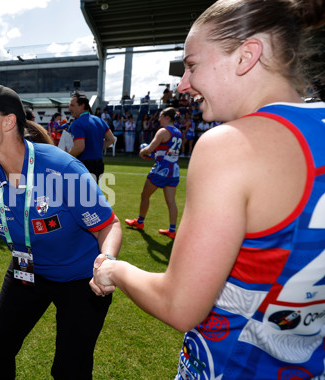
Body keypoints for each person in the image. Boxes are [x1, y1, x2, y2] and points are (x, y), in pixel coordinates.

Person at [91, 1, 325, 378]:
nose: (183, 84)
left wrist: (114, 270)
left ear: (246, 56)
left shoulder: (229, 145)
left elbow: (179, 304)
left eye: (193, 65)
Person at [0, 84, 122, 380]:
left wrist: (106, 260)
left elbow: (108, 225)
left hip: (82, 279)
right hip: (27, 271)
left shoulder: (61, 168)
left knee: (70, 370)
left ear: (8, 121)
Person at [123, 107, 181, 239]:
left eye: (161, 116)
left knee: (145, 195)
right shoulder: (178, 132)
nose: (158, 119)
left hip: (161, 170)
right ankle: (172, 230)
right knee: (171, 202)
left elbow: (150, 148)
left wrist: (142, 152)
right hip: (173, 170)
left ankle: (140, 222)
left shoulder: (163, 131)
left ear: (167, 117)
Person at [68, 91, 116, 182]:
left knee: (80, 195)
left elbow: (79, 147)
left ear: (82, 106)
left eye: (72, 105)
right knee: (92, 194)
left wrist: (66, 156)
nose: (69, 108)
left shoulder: (77, 124)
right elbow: (111, 139)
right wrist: (96, 148)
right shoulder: (99, 120)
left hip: (84, 165)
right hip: (98, 164)